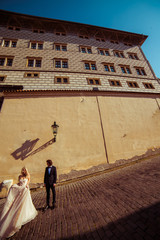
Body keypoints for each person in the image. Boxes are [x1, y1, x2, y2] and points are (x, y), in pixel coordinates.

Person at [0, 167, 38, 239]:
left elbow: (28, 183)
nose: (23, 171)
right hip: (20, 190)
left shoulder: (28, 176)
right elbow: (19, 183)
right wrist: (14, 186)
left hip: (24, 191)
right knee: (17, 203)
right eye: (23, 170)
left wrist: (27, 186)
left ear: (26, 170)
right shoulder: (20, 176)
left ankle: (24, 216)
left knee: (24, 205)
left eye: (24, 170)